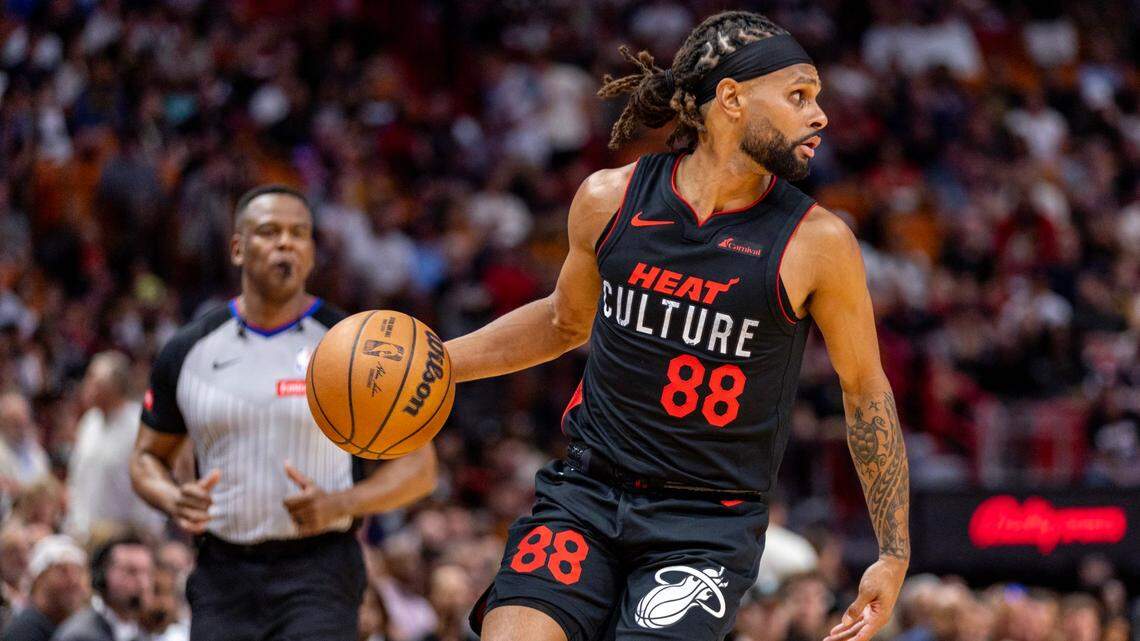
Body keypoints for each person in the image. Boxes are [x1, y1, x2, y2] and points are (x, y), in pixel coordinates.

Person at [446, 11, 909, 641]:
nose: (820, 115)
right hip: (585, 493)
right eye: (799, 95)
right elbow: (561, 322)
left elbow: (865, 393)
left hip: (706, 523)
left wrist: (892, 551)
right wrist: (440, 365)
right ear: (732, 99)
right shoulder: (610, 198)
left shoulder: (818, 242)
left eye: (818, 98)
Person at [129, 185, 439, 641]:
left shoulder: (355, 348)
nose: (285, 243)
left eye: (299, 233)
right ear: (237, 248)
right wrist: (172, 497)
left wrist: (341, 502)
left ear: (312, 253)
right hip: (221, 570)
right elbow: (144, 458)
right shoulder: (188, 348)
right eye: (269, 232)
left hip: (320, 568)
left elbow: (421, 467)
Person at [65, 351, 164, 543]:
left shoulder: (139, 426)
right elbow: (77, 477)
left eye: (95, 379)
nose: (87, 386)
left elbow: (151, 485)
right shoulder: (89, 422)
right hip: (84, 533)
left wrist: (141, 535)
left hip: (124, 536)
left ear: (116, 385)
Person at [52, 536, 154, 641]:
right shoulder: (80, 635)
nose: (143, 583)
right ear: (102, 576)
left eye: (147, 573)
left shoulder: (140, 634)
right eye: (131, 571)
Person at [1, 535, 89, 641]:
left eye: (79, 572)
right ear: (38, 579)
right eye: (63, 571)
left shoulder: (82, 628)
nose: (74, 580)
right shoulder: (26, 631)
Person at [0, 391, 50, 488]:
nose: (21, 427)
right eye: (15, 422)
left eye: (24, 420)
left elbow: (45, 482)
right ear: (2, 422)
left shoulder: (34, 449)